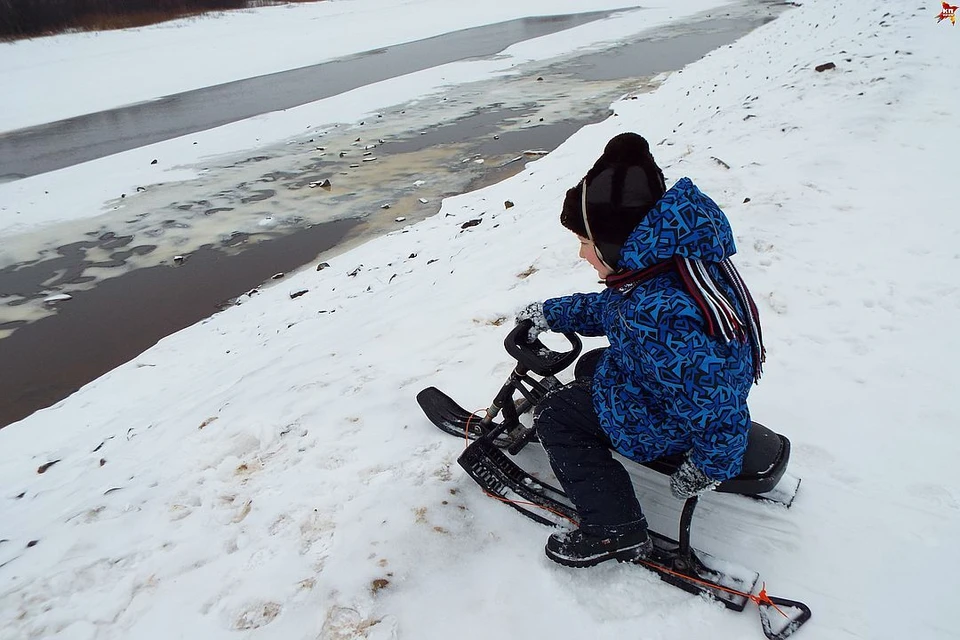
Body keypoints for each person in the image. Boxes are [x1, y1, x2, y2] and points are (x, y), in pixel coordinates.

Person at [516, 132, 765, 568]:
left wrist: (710, 464)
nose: (581, 254)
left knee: (557, 417)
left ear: (613, 244)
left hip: (669, 417)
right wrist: (552, 314)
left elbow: (713, 400)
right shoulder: (673, 263)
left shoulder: (658, 311)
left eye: (586, 243)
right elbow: (615, 310)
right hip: (666, 386)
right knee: (594, 363)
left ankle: (615, 530)